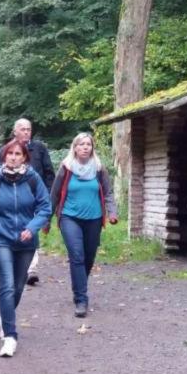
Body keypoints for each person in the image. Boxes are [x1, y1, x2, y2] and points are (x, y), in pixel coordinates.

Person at [0, 139, 51, 357]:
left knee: (18, 287)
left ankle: (5, 314)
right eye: (10, 153)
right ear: (4, 156)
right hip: (0, 238)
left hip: (26, 241)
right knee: (7, 285)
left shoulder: (33, 179)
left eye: (18, 154)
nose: (14, 157)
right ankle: (10, 336)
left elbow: (45, 207)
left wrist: (33, 227)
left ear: (24, 157)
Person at [50, 132, 117, 318]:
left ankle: (79, 285)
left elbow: (108, 192)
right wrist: (46, 218)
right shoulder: (66, 167)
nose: (85, 147)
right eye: (81, 144)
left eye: (88, 144)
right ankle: (81, 299)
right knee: (77, 255)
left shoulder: (98, 168)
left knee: (88, 257)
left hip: (94, 218)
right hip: (69, 217)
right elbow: (55, 194)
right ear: (75, 147)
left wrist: (112, 212)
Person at [10, 118, 54, 285]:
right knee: (15, 229)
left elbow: (49, 173)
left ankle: (31, 269)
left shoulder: (40, 149)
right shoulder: (7, 150)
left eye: (29, 129)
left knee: (32, 229)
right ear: (15, 131)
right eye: (23, 129)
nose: (26, 132)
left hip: (36, 197)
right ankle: (16, 264)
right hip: (12, 199)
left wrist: (48, 194)